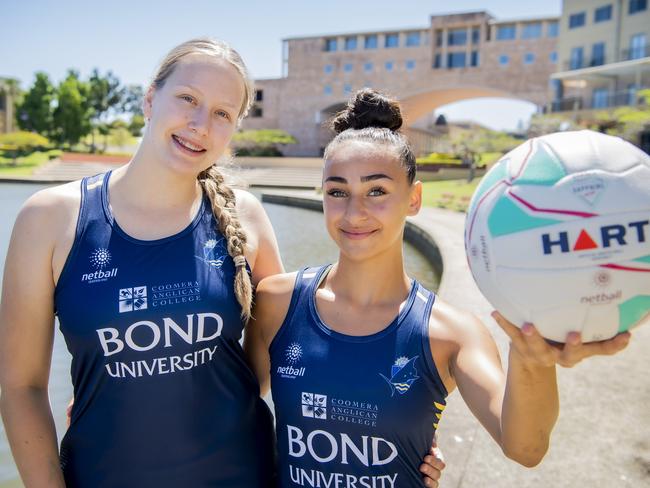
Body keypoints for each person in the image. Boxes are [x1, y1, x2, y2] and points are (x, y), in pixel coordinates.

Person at [0, 40, 443, 487]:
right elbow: (21, 387)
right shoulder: (50, 219)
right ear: (151, 98)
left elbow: (305, 354)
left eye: (222, 114)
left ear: (233, 129)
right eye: (188, 99)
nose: (199, 124)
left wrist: (400, 430)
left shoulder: (246, 217)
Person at [244, 89, 632, 488]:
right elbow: (232, 412)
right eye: (337, 192)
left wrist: (534, 359)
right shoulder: (277, 302)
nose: (354, 212)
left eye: (377, 191)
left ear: (413, 199)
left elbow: (525, 449)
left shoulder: (452, 333)